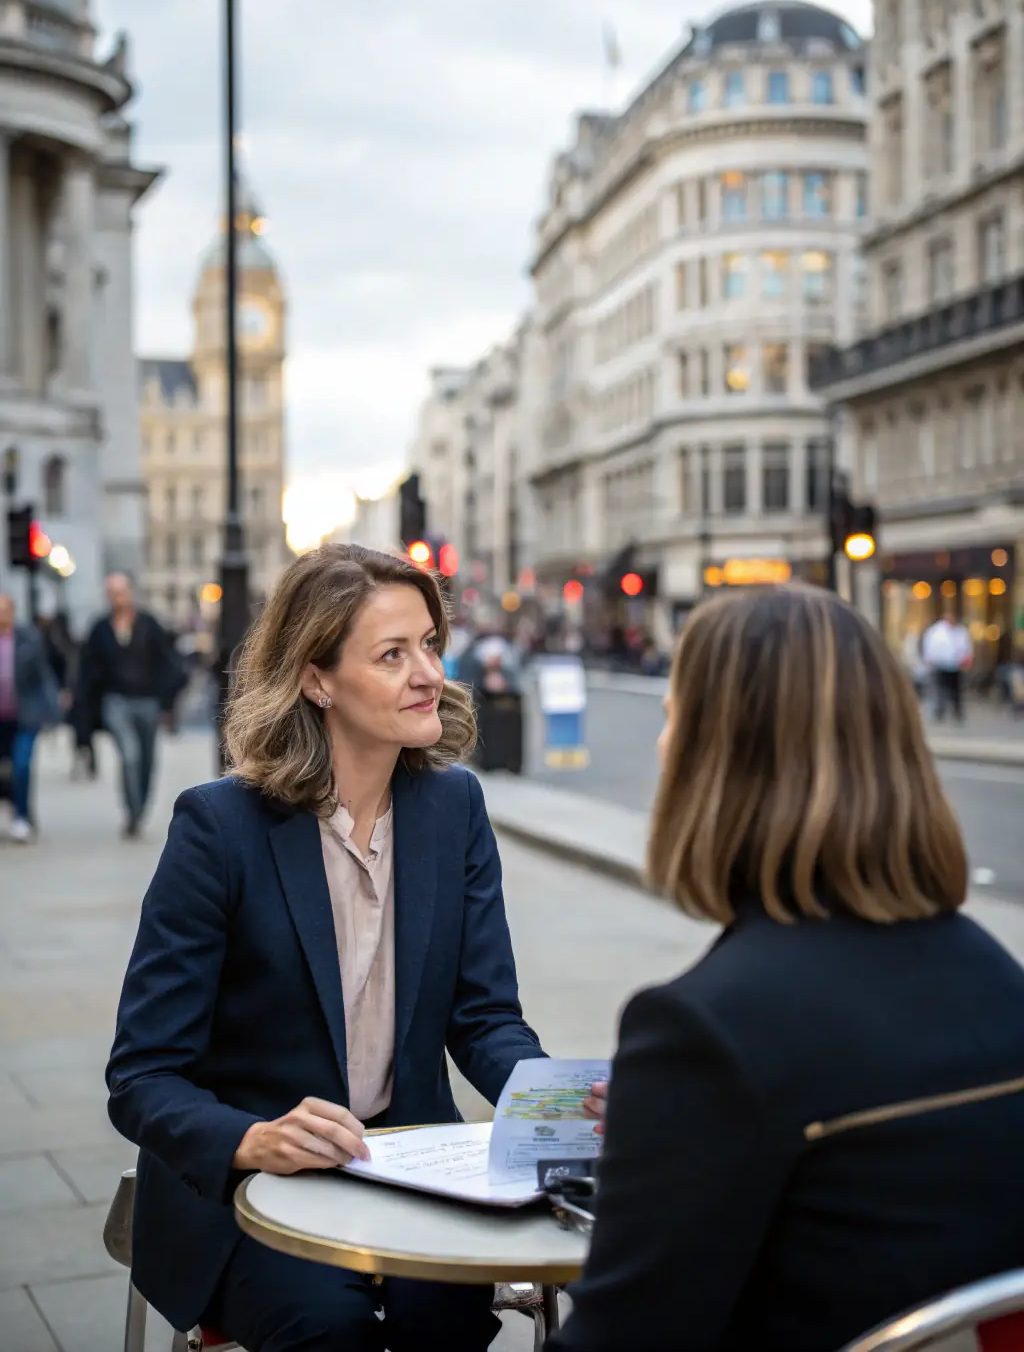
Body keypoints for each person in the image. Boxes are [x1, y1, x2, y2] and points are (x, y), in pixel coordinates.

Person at [106, 544, 557, 1352]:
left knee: (445, 1319)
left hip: (416, 1170)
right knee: (328, 1325)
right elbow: (142, 1075)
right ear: (317, 679)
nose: (428, 673)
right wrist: (250, 1137)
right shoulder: (219, 828)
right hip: (252, 1190)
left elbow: (486, 1019)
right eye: (392, 654)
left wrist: (560, 1106)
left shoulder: (453, 807)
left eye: (429, 642)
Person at [550, 585, 1024, 1352]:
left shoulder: (705, 1031)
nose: (664, 743)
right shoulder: (997, 977)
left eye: (674, 716)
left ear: (716, 755)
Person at [77, 573, 186, 836]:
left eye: (121, 591)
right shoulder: (100, 628)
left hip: (147, 701)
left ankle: (140, 810)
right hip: (116, 700)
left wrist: (167, 698)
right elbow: (88, 669)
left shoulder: (149, 624)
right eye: (112, 592)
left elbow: (167, 661)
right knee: (130, 755)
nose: (117, 597)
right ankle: (132, 811)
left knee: (147, 759)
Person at [0, 593, 61, 841]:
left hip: (23, 715)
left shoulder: (27, 638)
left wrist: (51, 711)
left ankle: (22, 816)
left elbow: (42, 677)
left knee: (21, 765)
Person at [921, 609, 973, 723]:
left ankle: (957, 712)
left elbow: (967, 647)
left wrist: (966, 659)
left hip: (955, 665)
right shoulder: (936, 631)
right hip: (941, 664)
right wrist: (930, 659)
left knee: (956, 691)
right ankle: (940, 711)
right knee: (940, 690)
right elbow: (929, 646)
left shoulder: (961, 632)